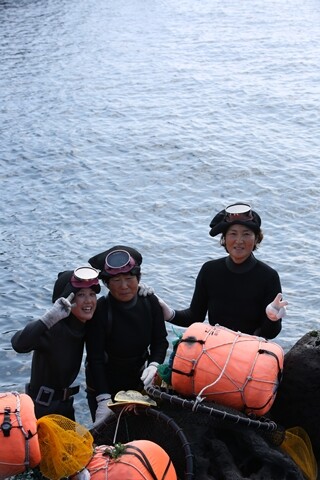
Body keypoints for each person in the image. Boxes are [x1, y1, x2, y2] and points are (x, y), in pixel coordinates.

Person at [158, 202, 288, 339]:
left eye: (246, 234)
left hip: (251, 349)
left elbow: (270, 334)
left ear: (256, 239)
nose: (239, 240)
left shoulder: (268, 276)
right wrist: (169, 313)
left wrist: (272, 318)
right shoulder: (210, 270)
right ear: (224, 239)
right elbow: (194, 317)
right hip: (215, 347)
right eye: (233, 234)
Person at [85, 245, 169, 426]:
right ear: (106, 283)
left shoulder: (150, 302)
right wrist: (102, 398)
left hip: (138, 382)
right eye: (116, 280)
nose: (124, 286)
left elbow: (160, 341)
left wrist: (154, 365)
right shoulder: (100, 310)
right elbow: (95, 358)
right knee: (108, 443)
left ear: (138, 278)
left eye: (129, 278)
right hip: (104, 384)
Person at [11, 266, 101, 420]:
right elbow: (18, 344)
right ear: (67, 299)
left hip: (65, 405)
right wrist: (48, 318)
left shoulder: (85, 324)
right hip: (41, 408)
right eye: (81, 295)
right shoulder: (53, 327)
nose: (89, 301)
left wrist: (144, 296)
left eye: (92, 294)